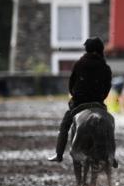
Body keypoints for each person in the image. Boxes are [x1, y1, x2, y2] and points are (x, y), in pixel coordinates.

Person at [47, 37, 113, 165]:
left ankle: (59, 154)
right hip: (98, 102)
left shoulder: (79, 64)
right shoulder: (105, 67)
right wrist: (99, 98)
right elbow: (107, 87)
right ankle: (111, 155)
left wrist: (76, 96)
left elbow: (71, 85)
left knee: (65, 125)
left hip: (79, 103)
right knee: (109, 125)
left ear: (87, 49)